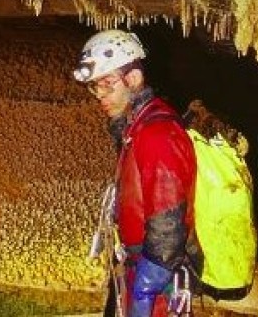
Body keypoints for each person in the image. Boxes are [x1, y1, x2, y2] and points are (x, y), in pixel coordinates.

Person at [73, 29, 200, 317]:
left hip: (156, 280)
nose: (99, 94)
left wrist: (147, 285)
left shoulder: (157, 134)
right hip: (138, 266)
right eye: (95, 86)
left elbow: (168, 220)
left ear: (133, 78)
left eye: (107, 83)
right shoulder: (136, 129)